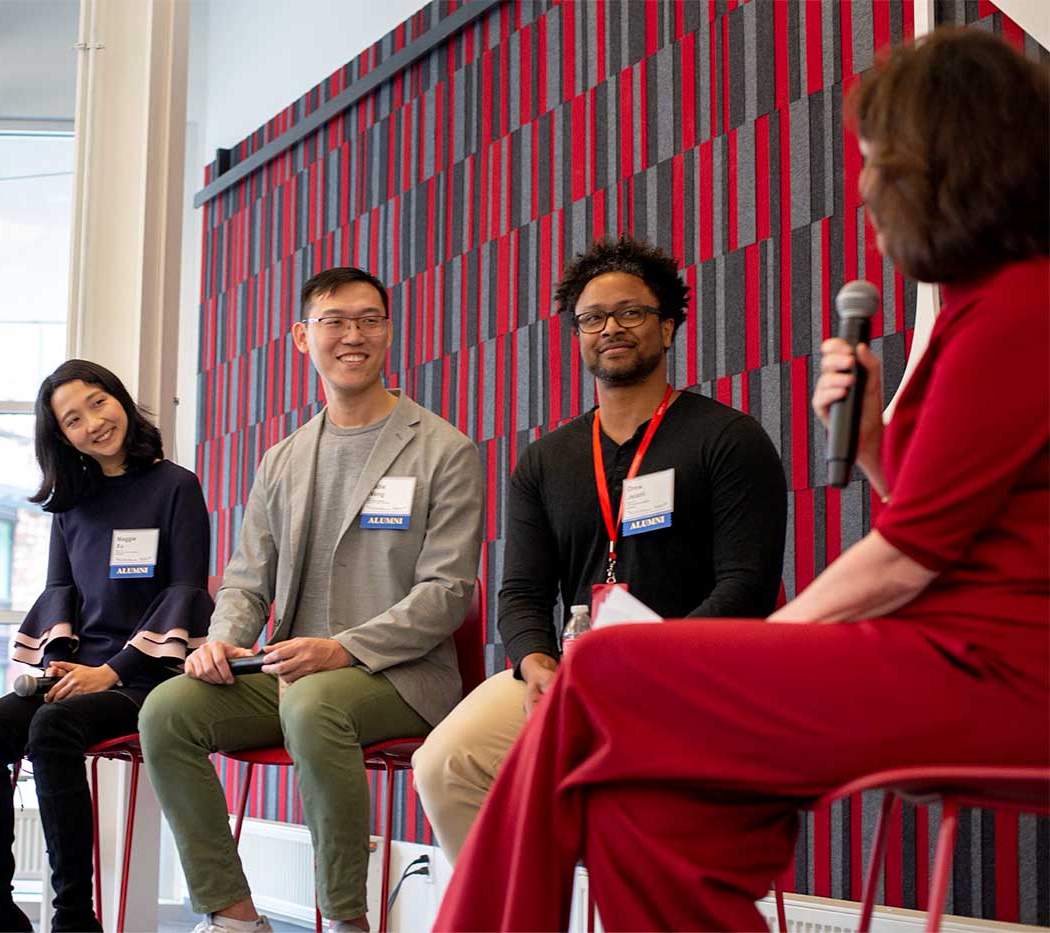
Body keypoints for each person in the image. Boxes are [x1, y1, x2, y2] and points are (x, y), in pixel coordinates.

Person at [434, 27, 1049, 932]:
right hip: (942, 643)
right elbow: (949, 514)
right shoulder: (976, 304)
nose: (868, 187)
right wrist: (875, 440)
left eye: (881, 161)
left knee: (609, 665)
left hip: (999, 669)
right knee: (641, 803)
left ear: (950, 161)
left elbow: (909, 556)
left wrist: (707, 653)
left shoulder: (1022, 309)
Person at [412, 236, 787, 862]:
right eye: (592, 318)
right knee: (446, 763)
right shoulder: (546, 460)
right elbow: (522, 594)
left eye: (631, 312)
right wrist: (536, 664)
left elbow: (745, 588)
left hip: (693, 676)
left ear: (667, 328)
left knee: (637, 796)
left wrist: (645, 663)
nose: (610, 327)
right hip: (572, 677)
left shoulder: (728, 439)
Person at [139, 267, 484, 933]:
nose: (353, 335)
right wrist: (223, 639)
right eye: (334, 320)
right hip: (290, 673)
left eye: (369, 319)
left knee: (315, 699)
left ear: (388, 329)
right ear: (303, 336)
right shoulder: (283, 459)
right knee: (166, 711)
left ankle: (346, 919)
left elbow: (446, 594)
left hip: (400, 673)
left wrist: (341, 648)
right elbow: (246, 580)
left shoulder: (443, 449)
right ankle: (235, 916)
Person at [0, 359, 212, 933]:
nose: (93, 422)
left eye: (98, 402)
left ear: (119, 399)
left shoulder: (176, 486)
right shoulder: (71, 504)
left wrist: (113, 671)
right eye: (74, 419)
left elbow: (185, 589)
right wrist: (57, 666)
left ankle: (74, 918)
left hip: (151, 677)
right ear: (62, 436)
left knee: (52, 729)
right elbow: (60, 592)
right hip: (80, 675)